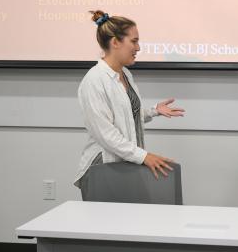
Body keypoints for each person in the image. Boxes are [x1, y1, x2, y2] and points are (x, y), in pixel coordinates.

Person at [74, 10, 185, 198]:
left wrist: (153, 111)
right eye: (134, 41)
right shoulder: (94, 80)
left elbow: (125, 117)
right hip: (103, 166)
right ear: (115, 42)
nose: (138, 47)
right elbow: (106, 134)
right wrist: (144, 157)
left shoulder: (125, 74)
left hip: (124, 162)